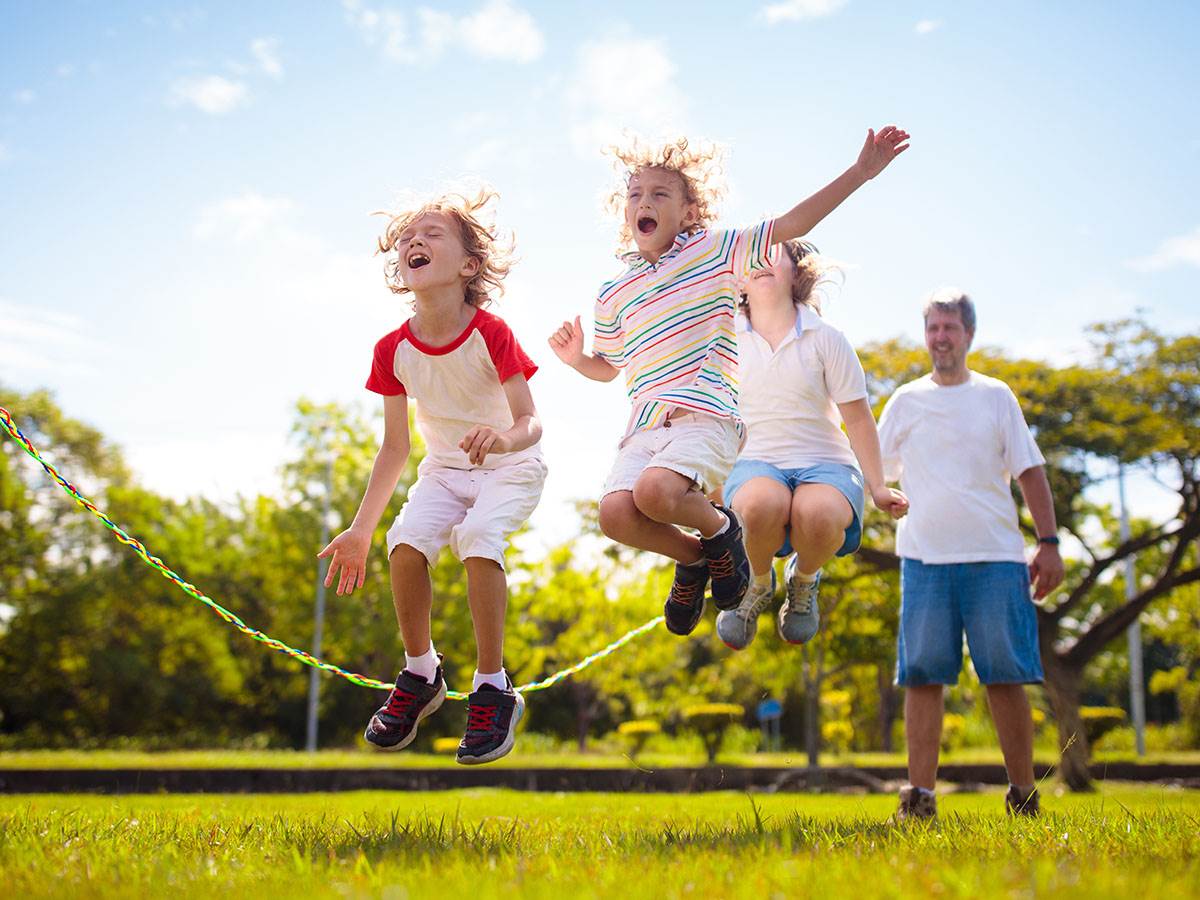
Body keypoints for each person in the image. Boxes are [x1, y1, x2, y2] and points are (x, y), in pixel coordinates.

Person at [549, 127, 910, 637]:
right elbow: (608, 367)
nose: (643, 203)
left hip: (708, 417)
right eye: (634, 195)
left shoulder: (714, 253)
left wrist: (859, 173)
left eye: (659, 194)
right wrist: (575, 359)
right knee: (615, 514)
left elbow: (791, 224)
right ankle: (698, 558)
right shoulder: (614, 292)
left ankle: (724, 529)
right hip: (647, 425)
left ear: (689, 212)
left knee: (656, 492)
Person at [318, 189, 546, 765]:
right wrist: (359, 530)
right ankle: (422, 674)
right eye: (405, 239)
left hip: (510, 467)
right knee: (403, 544)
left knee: (476, 539)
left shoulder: (491, 332)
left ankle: (493, 686)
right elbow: (395, 447)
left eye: (431, 233)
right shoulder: (392, 350)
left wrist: (503, 439)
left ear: (469, 265)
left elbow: (530, 421)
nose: (413, 241)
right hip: (444, 470)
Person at [878, 288, 1065, 819]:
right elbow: (873, 468)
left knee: (1005, 675)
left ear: (969, 335)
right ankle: (919, 797)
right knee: (921, 675)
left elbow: (1030, 471)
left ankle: (1024, 795)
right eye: (933, 328)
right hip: (923, 560)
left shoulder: (996, 396)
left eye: (950, 328)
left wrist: (1048, 544)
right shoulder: (905, 401)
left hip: (996, 557)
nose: (940, 337)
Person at [715, 240, 908, 651]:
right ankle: (759, 582)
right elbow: (705, 413)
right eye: (753, 256)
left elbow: (856, 417)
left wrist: (877, 487)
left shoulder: (827, 338)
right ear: (739, 278)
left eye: (773, 253)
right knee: (760, 506)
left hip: (826, 464)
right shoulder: (723, 337)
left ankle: (803, 581)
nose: (762, 262)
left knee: (818, 515)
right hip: (754, 461)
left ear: (796, 272)